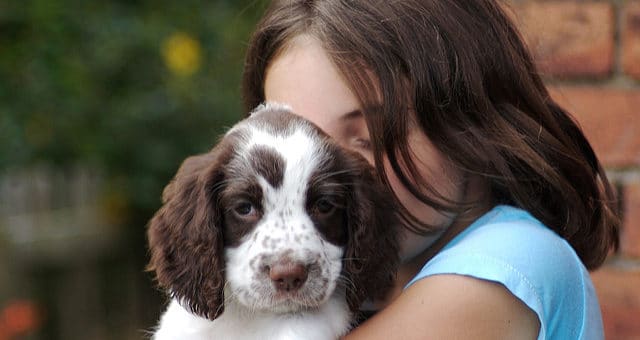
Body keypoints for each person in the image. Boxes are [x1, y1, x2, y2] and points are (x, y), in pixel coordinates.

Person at [241, 0, 620, 338]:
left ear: (472, 123)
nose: (328, 182)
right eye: (296, 147)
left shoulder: (510, 261)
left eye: (372, 135)